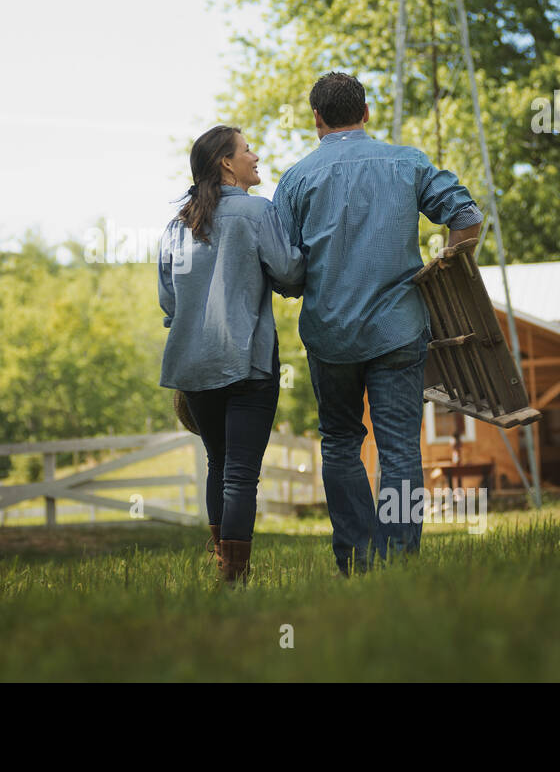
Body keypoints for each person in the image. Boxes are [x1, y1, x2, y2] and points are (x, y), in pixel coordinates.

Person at [273, 72, 482, 576]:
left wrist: (304, 283)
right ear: (366, 113)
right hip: (399, 329)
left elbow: (281, 267)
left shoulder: (297, 178)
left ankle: (357, 560)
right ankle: (401, 562)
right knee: (398, 450)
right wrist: (443, 273)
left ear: (316, 119)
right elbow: (468, 217)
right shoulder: (406, 162)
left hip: (330, 334)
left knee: (341, 442)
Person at [158, 124, 304, 585]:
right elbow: (290, 273)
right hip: (247, 360)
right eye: (247, 149)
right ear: (226, 162)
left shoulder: (176, 226)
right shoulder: (257, 212)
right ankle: (234, 577)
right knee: (240, 474)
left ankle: (224, 564)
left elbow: (169, 301)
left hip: (193, 366)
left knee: (218, 464)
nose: (254, 155)